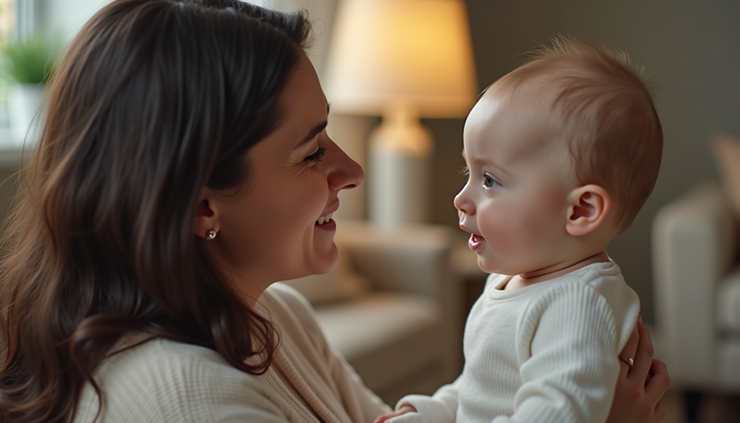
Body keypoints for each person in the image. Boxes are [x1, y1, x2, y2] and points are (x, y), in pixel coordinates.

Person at [0, 2, 668, 422]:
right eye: (313, 149)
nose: (352, 170)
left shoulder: (272, 312)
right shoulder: (180, 401)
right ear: (203, 201)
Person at [376, 37, 667, 423]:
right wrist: (431, 412)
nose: (462, 198)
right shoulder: (511, 280)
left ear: (580, 210)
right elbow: (482, 391)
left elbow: (557, 414)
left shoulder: (576, 304)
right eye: (470, 173)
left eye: (490, 180)